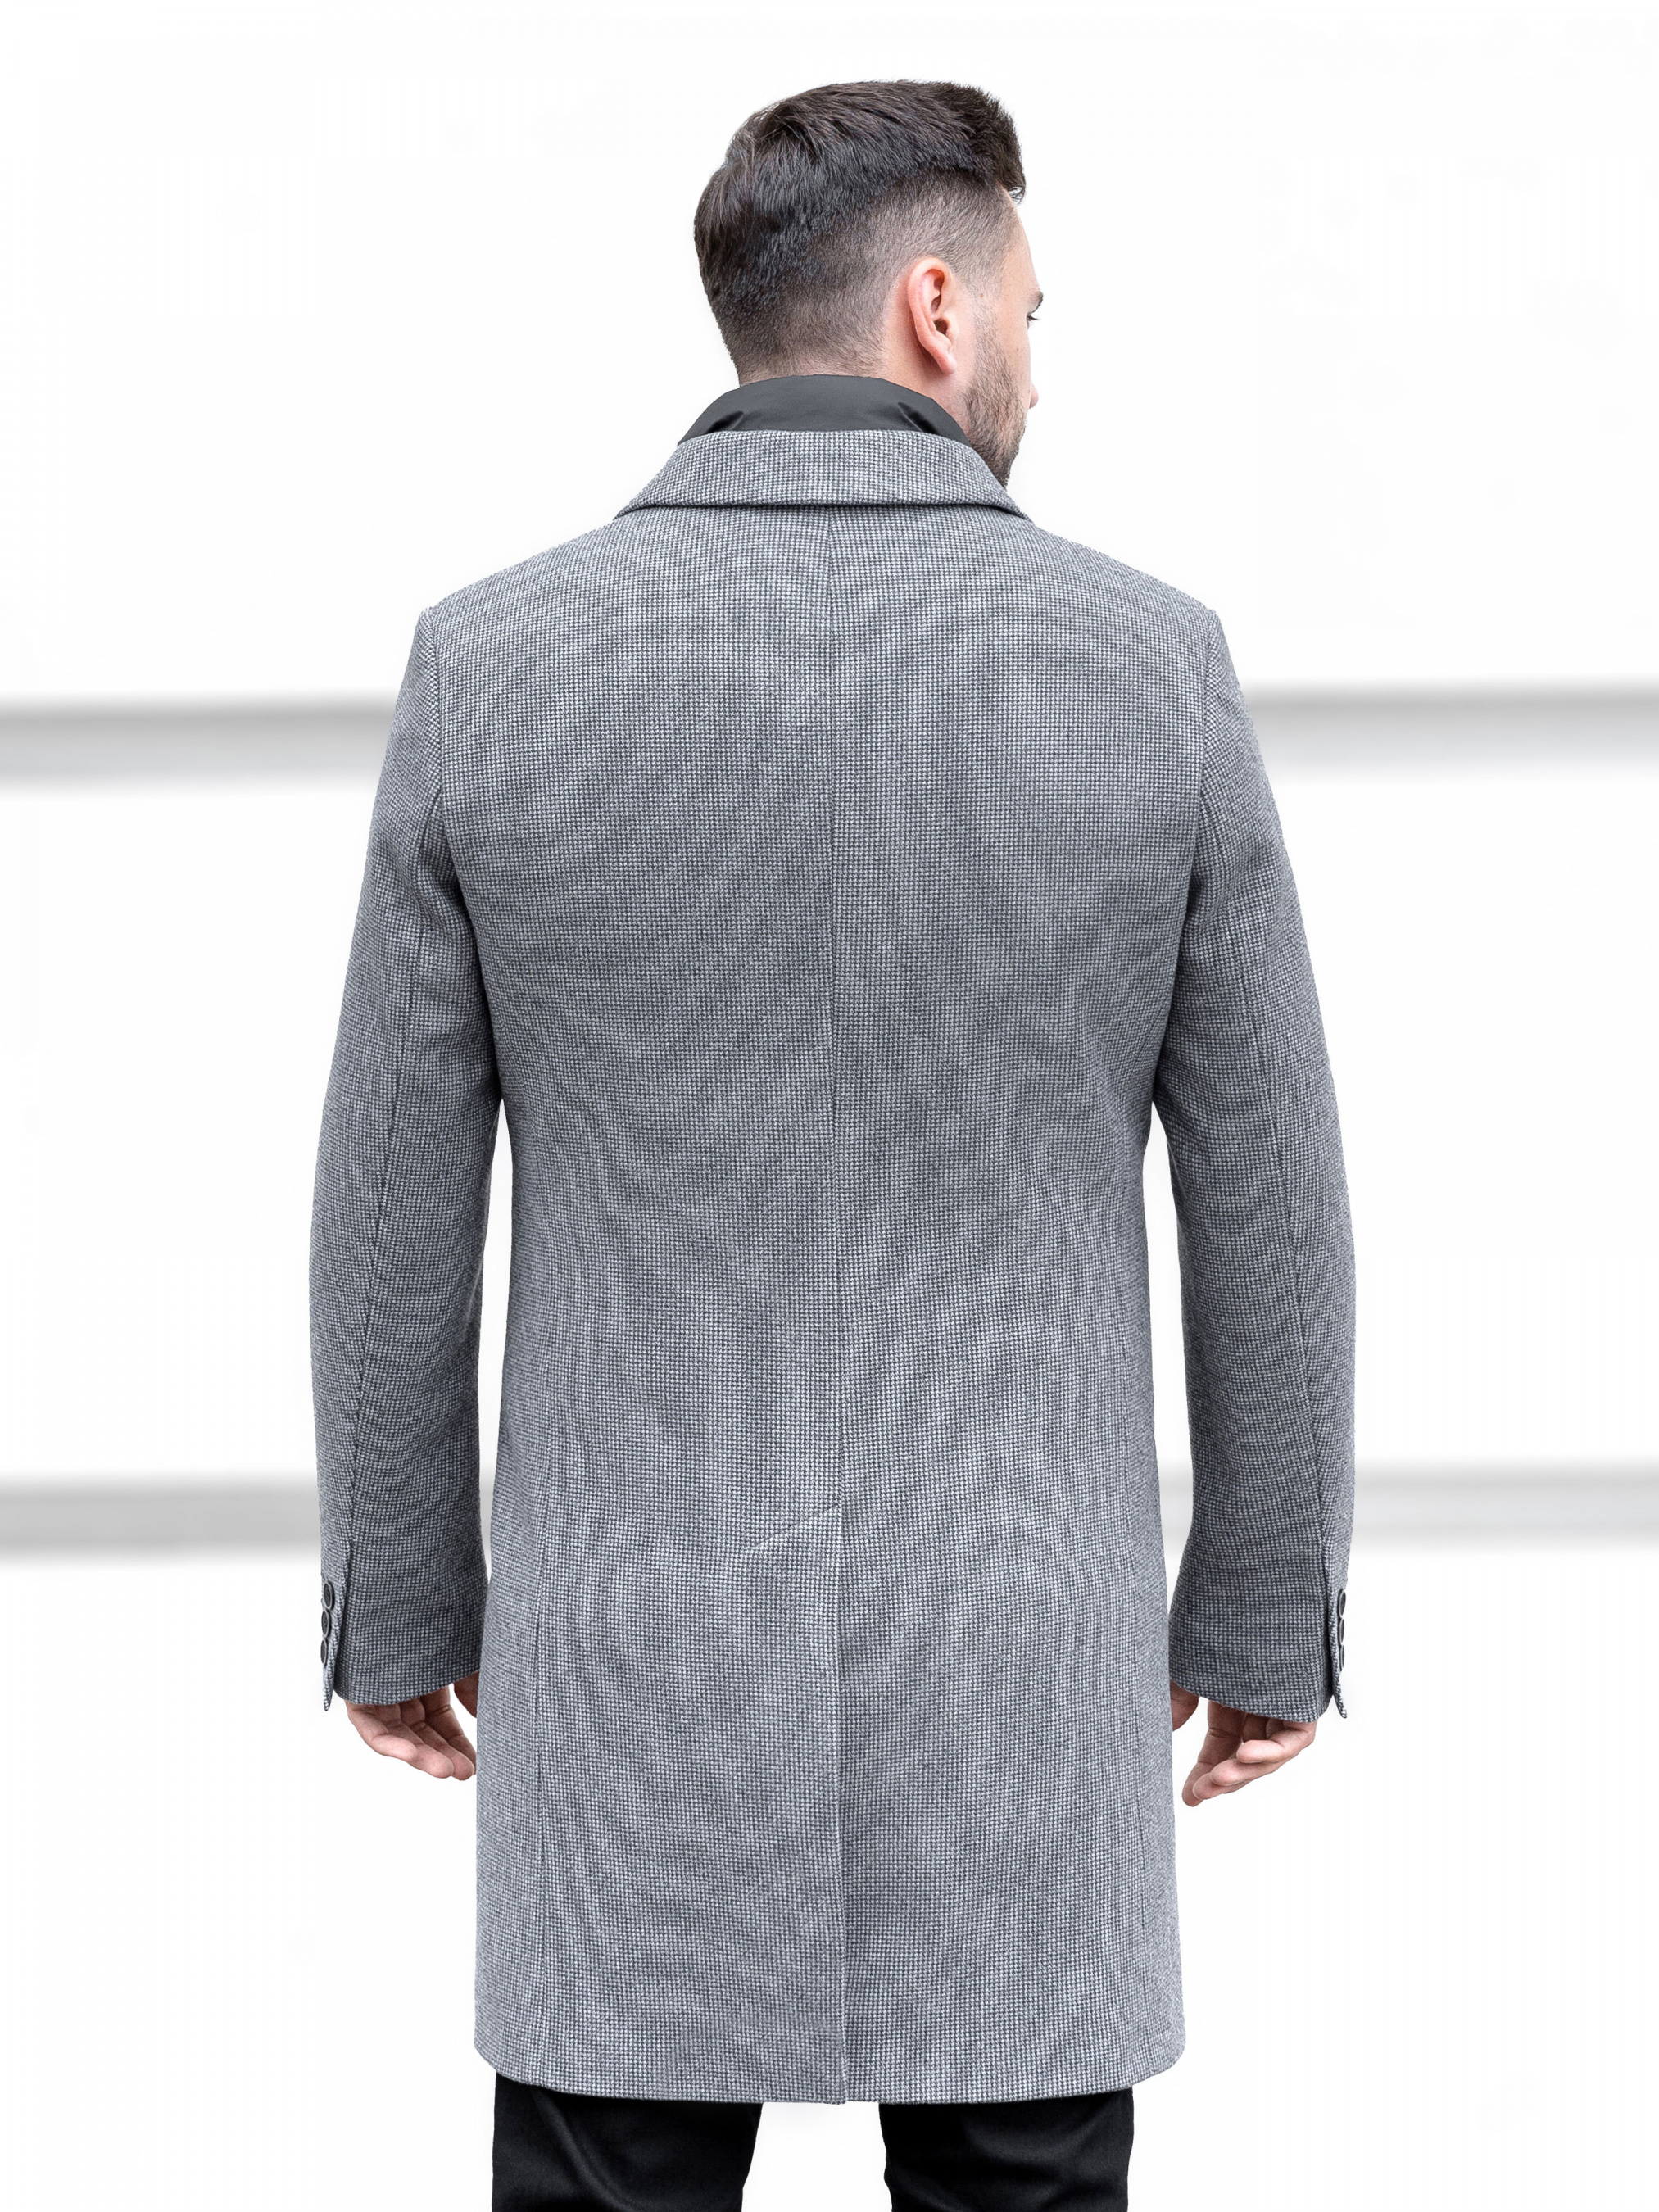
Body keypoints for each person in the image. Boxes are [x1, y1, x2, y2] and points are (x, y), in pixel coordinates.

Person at [310, 78, 1354, 2212]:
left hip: (627, 1678)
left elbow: (392, 1202)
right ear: (937, 308)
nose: (1042, 361)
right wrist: (1265, 1608)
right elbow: (1273, 1203)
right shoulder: (1151, 671)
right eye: (1037, 314)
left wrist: (396, 1597)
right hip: (1022, 1679)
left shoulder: (491, 669)